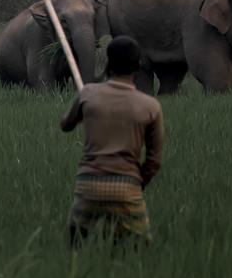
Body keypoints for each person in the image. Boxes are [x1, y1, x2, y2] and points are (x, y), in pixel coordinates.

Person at [61, 35, 165, 246]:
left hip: (88, 186)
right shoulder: (150, 106)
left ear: (109, 62)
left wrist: (84, 108)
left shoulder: (88, 94)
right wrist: (137, 182)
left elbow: (66, 125)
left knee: (77, 245)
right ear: (138, 66)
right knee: (139, 248)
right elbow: (154, 160)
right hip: (127, 187)